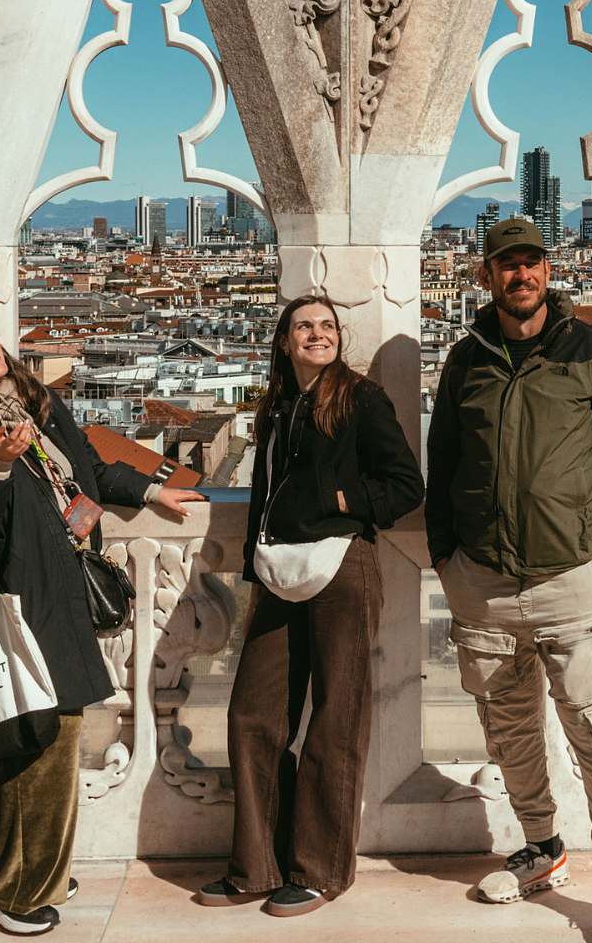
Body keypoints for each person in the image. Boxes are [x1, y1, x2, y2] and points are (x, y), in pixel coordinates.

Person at [0, 309, 201, 937]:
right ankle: (16, 891)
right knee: (38, 746)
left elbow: (86, 469)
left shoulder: (33, 407)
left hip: (55, 597)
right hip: (11, 610)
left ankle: (16, 873)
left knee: (32, 744)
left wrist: (151, 491)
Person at [426, 217, 592, 943]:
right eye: (507, 265)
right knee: (510, 730)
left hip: (572, 578)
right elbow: (443, 462)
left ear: (548, 273)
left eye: (531, 264)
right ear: (485, 275)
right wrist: (446, 557)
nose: (520, 276)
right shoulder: (465, 360)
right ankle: (543, 851)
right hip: (482, 583)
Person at [196, 295, 424, 918]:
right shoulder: (276, 406)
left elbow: (406, 484)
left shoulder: (359, 397)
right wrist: (253, 561)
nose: (316, 335)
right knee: (252, 714)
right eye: (304, 327)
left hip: (342, 567)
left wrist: (340, 499)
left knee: (335, 719)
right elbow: (268, 494)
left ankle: (320, 871)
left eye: (326, 326)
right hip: (278, 572)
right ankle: (257, 865)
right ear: (284, 340)